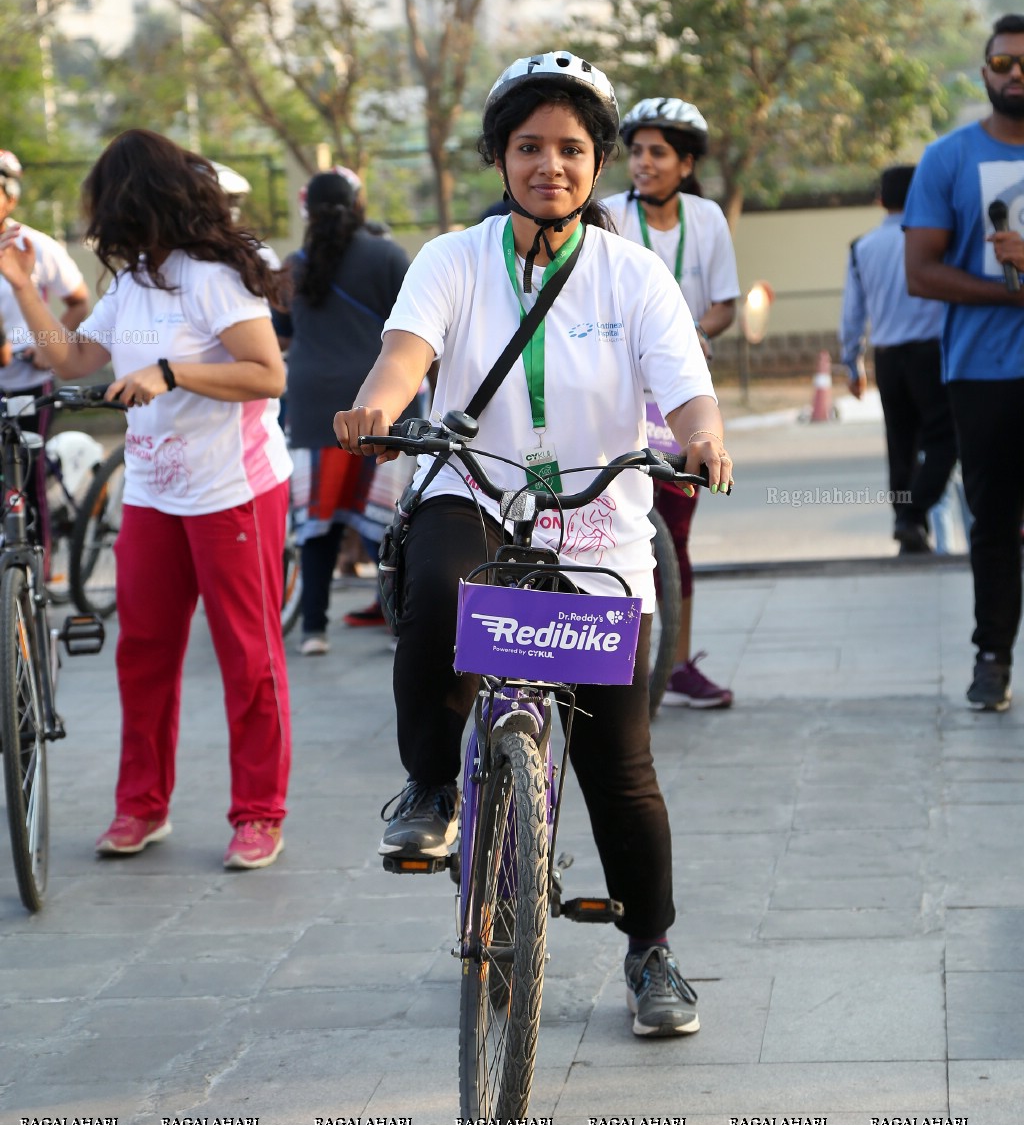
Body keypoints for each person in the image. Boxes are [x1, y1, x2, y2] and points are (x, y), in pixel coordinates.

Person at [334, 50, 733, 1039]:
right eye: (527, 147)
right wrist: (377, 407)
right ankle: (430, 789)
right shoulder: (450, 259)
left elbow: (683, 383)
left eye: (569, 148)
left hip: (596, 517)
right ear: (500, 158)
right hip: (472, 489)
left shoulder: (634, 273)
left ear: (596, 162)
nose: (548, 165)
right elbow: (404, 354)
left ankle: (652, 952)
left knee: (620, 765)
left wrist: (700, 437)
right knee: (436, 583)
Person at [0, 129, 293, 867]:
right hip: (155, 493)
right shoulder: (130, 284)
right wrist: (22, 286)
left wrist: (174, 371)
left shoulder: (213, 277)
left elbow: (267, 374)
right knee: (143, 651)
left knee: (247, 657)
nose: (101, 227)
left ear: (143, 204)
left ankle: (259, 812)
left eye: (108, 209)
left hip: (233, 490)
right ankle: (141, 807)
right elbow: (68, 356)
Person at [904, 13, 1024, 712]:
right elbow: (922, 272)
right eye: (1003, 63)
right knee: (993, 519)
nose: (1014, 75)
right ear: (984, 72)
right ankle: (992, 657)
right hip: (982, 374)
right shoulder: (948, 159)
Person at [603, 98, 739, 709]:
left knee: (674, 536)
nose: (643, 163)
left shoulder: (707, 218)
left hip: (681, 397)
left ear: (685, 163)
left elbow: (726, 303)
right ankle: (607, 658)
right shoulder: (606, 214)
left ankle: (676, 663)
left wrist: (692, 338)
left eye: (657, 153)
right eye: (635, 152)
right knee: (605, 524)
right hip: (619, 396)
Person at [274, 168, 411, 654]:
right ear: (358, 204)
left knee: (319, 526)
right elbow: (419, 334)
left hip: (314, 411)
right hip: (381, 408)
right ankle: (402, 626)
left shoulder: (296, 265)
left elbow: (283, 336)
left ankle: (314, 630)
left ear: (307, 209)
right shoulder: (389, 256)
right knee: (386, 525)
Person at [840, 164, 957, 555]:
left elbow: (852, 313)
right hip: (932, 353)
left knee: (900, 443)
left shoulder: (862, 248)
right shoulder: (935, 241)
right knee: (945, 440)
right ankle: (913, 515)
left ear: (879, 200)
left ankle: (908, 522)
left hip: (888, 358)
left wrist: (851, 361)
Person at [0, 148, 90, 563]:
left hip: (27, 382)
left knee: (25, 474)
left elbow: (78, 302)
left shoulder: (35, 245)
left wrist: (46, 348)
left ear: (11, 197)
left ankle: (38, 568)